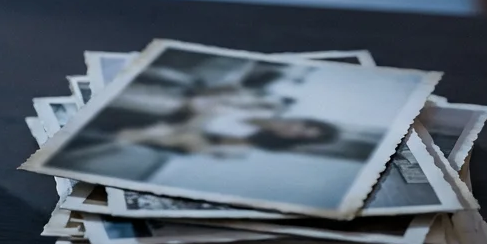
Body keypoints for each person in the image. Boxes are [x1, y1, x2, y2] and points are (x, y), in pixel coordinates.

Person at [115, 106, 340, 158]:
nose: (295, 130)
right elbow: (206, 99)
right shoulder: (267, 105)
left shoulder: (251, 140)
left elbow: (203, 142)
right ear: (303, 120)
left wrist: (195, 124)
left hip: (180, 127)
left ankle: (121, 135)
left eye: (300, 136)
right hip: (179, 111)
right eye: (305, 127)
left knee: (176, 134)